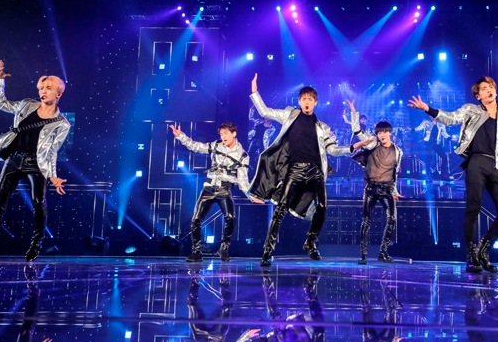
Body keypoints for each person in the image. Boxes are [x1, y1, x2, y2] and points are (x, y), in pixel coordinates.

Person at [408, 76, 498, 273]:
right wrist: (427, 108)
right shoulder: (471, 110)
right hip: (477, 161)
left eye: (491, 87)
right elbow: (450, 118)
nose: (489, 90)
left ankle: (483, 250)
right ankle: (471, 256)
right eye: (484, 88)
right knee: (473, 207)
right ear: (478, 95)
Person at [248, 74, 372, 267]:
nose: (307, 102)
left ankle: (310, 242)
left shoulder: (322, 127)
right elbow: (265, 112)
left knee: (322, 207)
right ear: (299, 101)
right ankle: (267, 252)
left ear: (315, 103)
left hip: (316, 172)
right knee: (280, 209)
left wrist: (354, 147)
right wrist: (255, 91)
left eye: (310, 99)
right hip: (295, 170)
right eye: (304, 99)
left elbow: (333, 150)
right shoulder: (290, 115)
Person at [0, 60, 71, 264]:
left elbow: (52, 151)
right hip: (14, 159)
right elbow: (1, 104)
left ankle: (36, 244)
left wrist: (53, 176)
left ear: (58, 94)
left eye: (48, 88)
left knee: (39, 202)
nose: (43, 91)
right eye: (41, 88)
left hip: (37, 164)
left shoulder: (62, 124)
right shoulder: (26, 105)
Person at [171, 122, 260, 262]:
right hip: (209, 188)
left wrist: (251, 196)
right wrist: (180, 136)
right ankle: (196, 252)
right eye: (221, 134)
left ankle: (223, 249)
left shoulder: (243, 155)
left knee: (230, 218)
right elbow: (196, 146)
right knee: (195, 220)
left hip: (224, 189)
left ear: (234, 134)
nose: (223, 136)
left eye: (226, 133)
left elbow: (243, 180)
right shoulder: (216, 145)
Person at [347, 100, 403, 264]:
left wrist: (395, 190)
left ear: (389, 132)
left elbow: (395, 172)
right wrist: (354, 112)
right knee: (366, 221)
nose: (382, 135)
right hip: (371, 188)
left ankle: (383, 252)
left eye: (385, 132)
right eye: (379, 132)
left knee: (392, 219)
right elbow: (357, 130)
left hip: (387, 189)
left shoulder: (398, 151)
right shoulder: (372, 143)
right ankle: (363, 255)